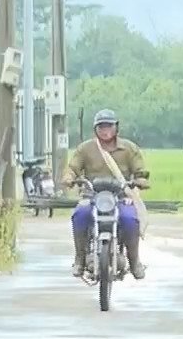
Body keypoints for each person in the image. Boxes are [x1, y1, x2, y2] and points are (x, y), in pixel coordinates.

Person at [64, 108, 150, 279]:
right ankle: (80, 259)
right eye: (101, 127)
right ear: (95, 129)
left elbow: (141, 173)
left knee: (130, 218)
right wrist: (68, 178)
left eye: (109, 126)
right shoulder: (85, 149)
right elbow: (73, 168)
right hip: (92, 196)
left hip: (120, 197)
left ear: (116, 127)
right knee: (80, 214)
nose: (105, 131)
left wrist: (138, 184)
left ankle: (134, 261)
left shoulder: (129, 149)